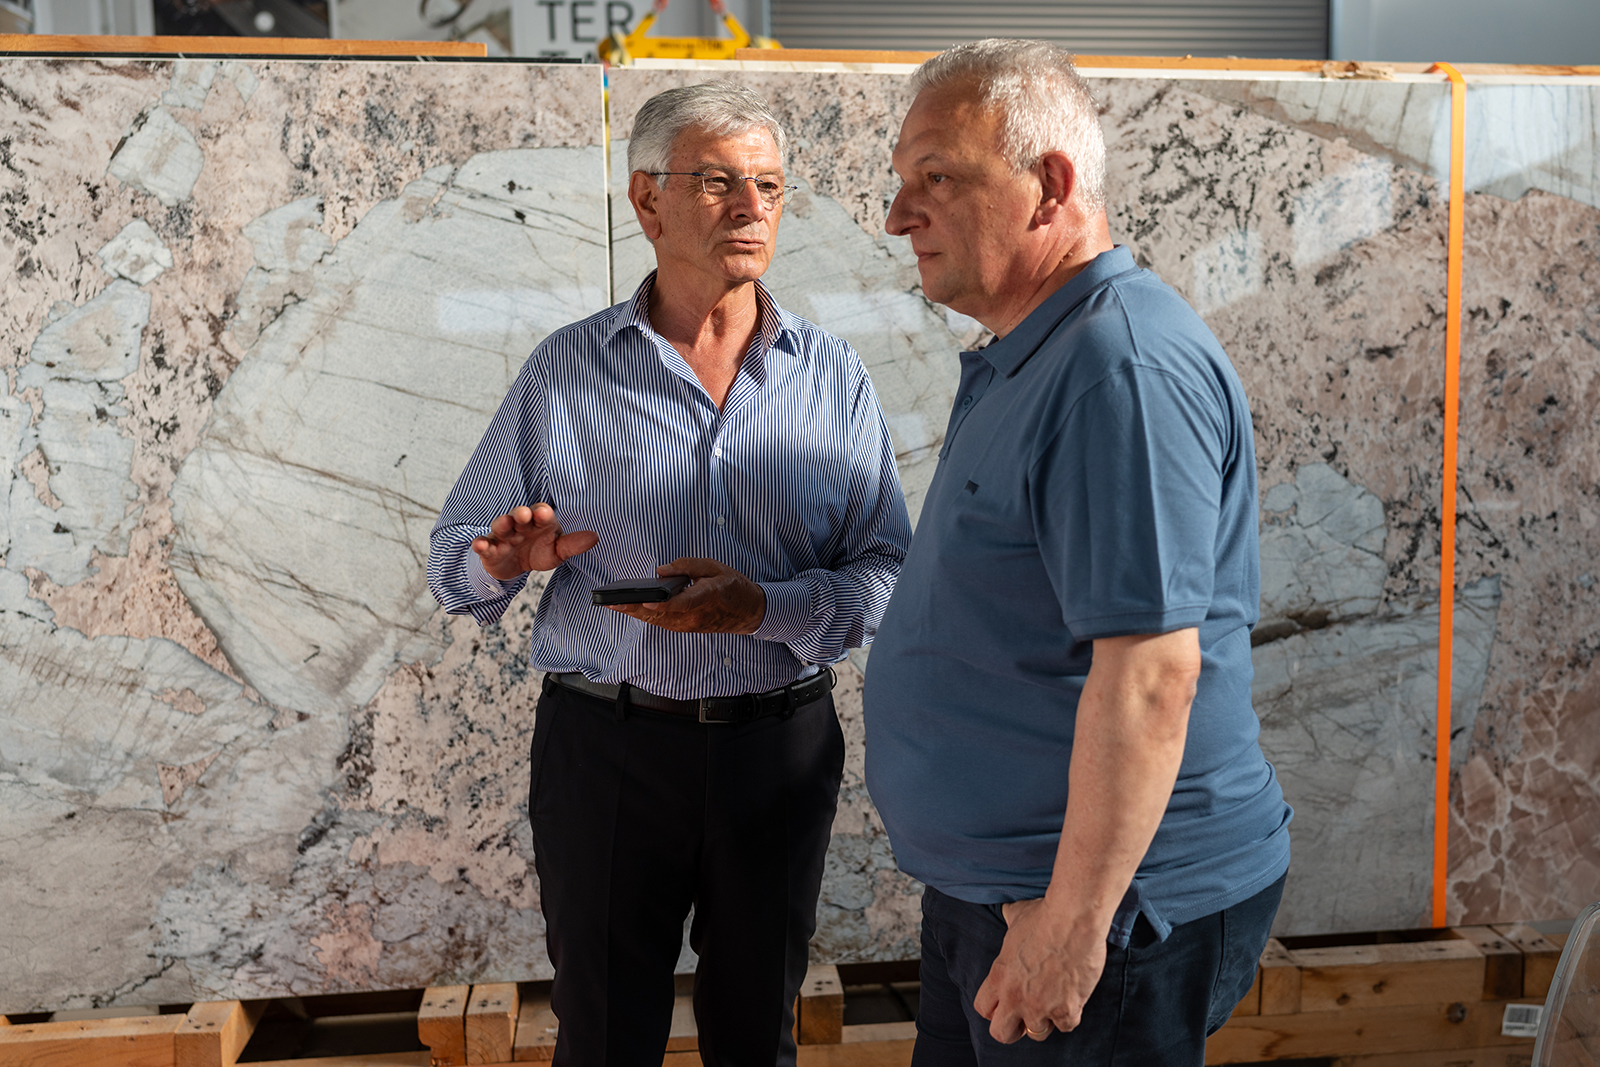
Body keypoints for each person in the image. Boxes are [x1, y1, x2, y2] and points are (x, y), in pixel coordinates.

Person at [427, 81, 912, 1067]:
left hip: (778, 753)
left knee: (756, 1037)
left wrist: (764, 608)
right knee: (605, 1036)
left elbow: (887, 570)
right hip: (607, 751)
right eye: (718, 182)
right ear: (647, 201)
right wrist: (498, 560)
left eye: (769, 185)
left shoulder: (835, 376)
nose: (750, 207)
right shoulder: (565, 371)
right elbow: (452, 559)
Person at [863, 39, 1293, 1065]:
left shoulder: (1116, 369)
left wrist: (1071, 923)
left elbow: (1150, 675)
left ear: (1050, 185)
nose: (897, 214)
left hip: (1097, 914)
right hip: (1003, 889)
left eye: (936, 178)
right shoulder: (1037, 352)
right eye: (902, 181)